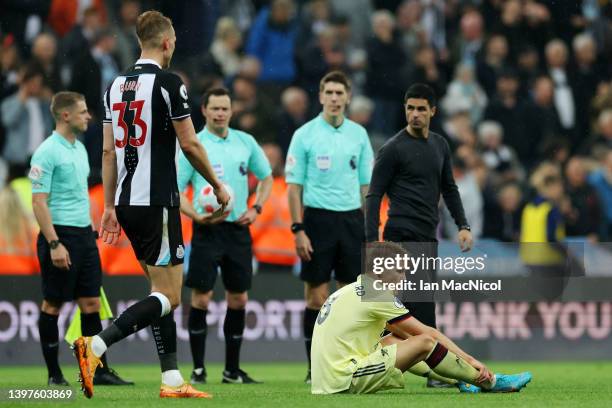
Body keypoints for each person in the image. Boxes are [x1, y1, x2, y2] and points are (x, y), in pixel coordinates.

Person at [72, 11, 229, 399]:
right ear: (166, 43)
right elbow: (190, 144)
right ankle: (95, 344)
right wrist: (218, 185)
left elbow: (108, 151)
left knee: (158, 293)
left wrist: (109, 206)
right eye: (173, 41)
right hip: (157, 200)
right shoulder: (169, 84)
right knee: (171, 296)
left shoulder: (114, 86)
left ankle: (172, 379)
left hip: (126, 202)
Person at [311, 241, 532, 395]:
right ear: (378, 272)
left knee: (392, 340)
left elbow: (401, 335)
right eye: (399, 271)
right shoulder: (376, 292)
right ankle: (489, 382)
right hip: (342, 380)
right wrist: (470, 360)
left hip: (327, 380)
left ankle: (461, 379)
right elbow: (427, 334)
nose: (404, 278)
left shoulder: (350, 290)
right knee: (424, 342)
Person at [365, 83, 472, 388]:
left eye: (421, 109)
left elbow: (449, 189)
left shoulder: (440, 145)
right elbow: (374, 196)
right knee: (385, 308)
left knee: (418, 308)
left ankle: (419, 370)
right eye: (410, 108)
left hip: (426, 239)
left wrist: (463, 225)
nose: (415, 114)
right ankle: (381, 367)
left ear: (433, 111)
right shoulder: (393, 148)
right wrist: (372, 242)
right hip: (397, 238)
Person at [29, 91, 130, 387]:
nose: (89, 116)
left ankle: (97, 370)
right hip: (60, 236)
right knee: (53, 305)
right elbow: (38, 202)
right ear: (65, 115)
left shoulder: (79, 148)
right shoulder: (47, 152)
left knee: (90, 304)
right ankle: (54, 375)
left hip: (85, 236)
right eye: (83, 112)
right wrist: (54, 243)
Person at [178, 87, 273, 384]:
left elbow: (267, 177)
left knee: (239, 298)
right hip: (206, 230)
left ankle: (232, 370)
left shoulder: (245, 142)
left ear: (231, 111)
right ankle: (198, 369)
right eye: (215, 108)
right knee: (202, 298)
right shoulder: (193, 145)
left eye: (225, 108)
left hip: (237, 230)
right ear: (204, 110)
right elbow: (177, 191)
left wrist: (256, 207)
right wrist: (195, 216)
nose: (220, 113)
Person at [285, 70, 374, 383]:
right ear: (321, 97)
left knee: (350, 300)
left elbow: (367, 187)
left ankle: (347, 363)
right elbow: (293, 187)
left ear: (348, 97)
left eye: (340, 93)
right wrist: (298, 228)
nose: (335, 98)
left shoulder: (358, 135)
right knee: (315, 297)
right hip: (317, 220)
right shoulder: (305, 135)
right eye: (330, 93)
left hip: (351, 220)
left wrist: (369, 229)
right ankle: (314, 368)